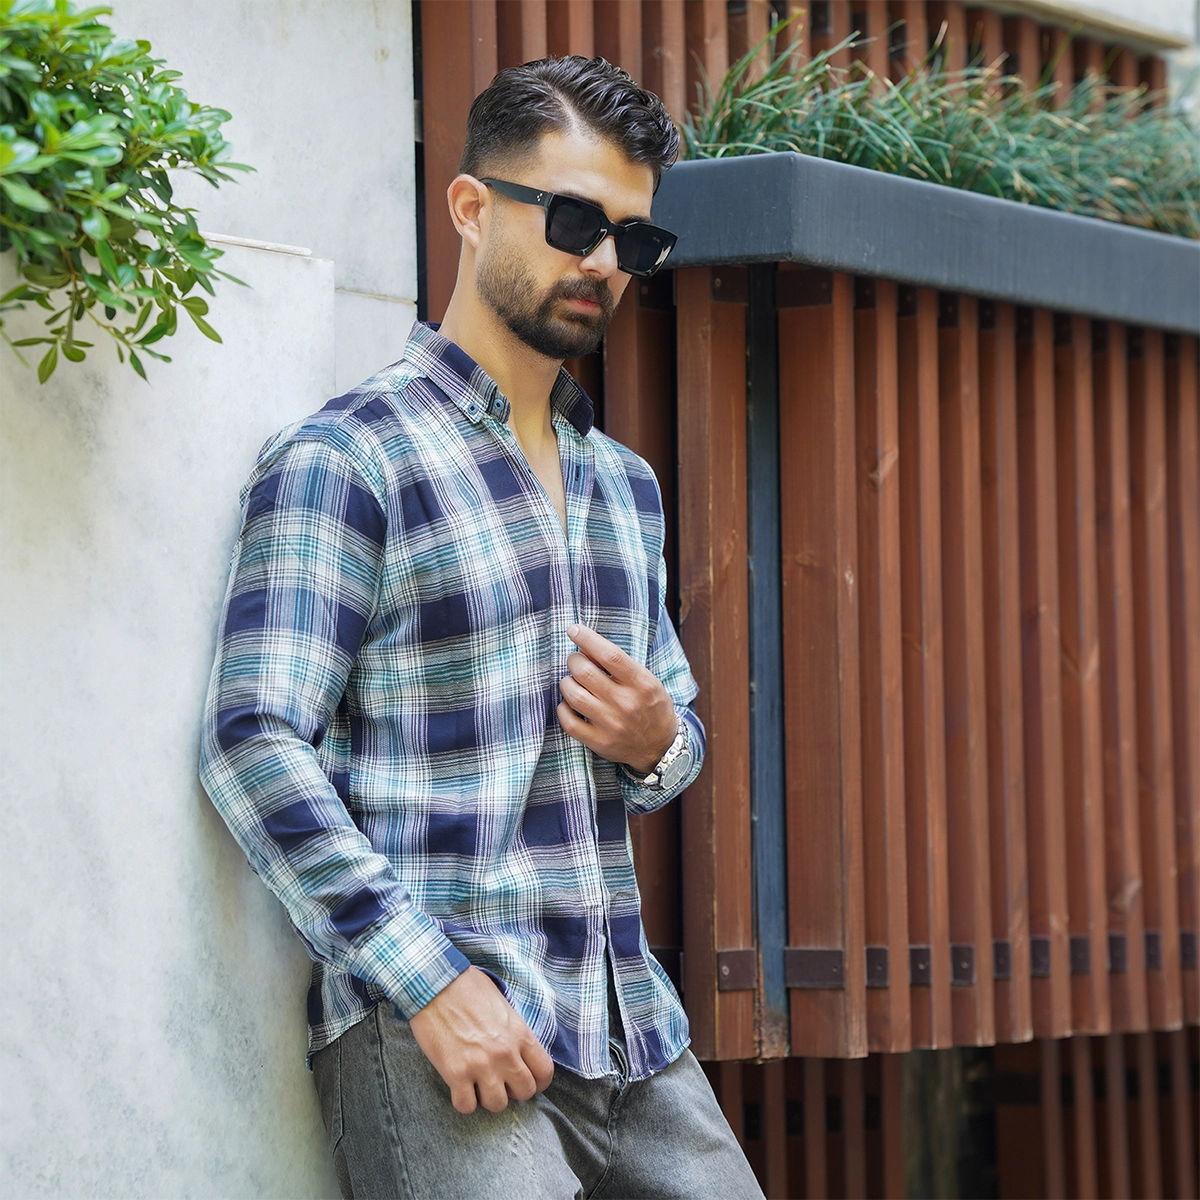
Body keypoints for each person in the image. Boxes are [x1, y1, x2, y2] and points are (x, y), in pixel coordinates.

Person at [199, 54, 765, 1200]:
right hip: (444, 1034)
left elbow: (673, 741)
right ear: (470, 207)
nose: (603, 263)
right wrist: (430, 982)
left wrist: (657, 738)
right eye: (573, 221)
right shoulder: (347, 458)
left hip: (631, 1031)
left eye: (633, 240)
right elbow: (253, 739)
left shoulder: (626, 489)